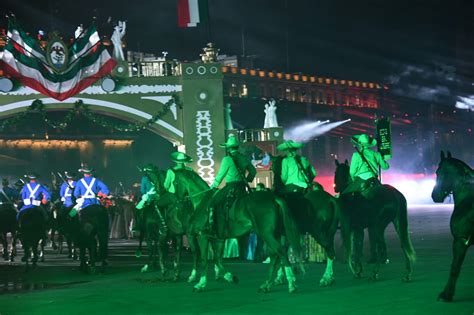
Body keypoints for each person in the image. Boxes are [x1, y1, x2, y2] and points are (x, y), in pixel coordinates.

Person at [208, 135, 256, 236]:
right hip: (242, 187)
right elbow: (253, 171)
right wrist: (247, 180)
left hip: (230, 187)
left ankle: (213, 227)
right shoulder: (243, 158)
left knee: (213, 203)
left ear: (229, 148)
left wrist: (213, 186)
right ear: (237, 147)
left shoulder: (227, 159)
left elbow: (221, 175)